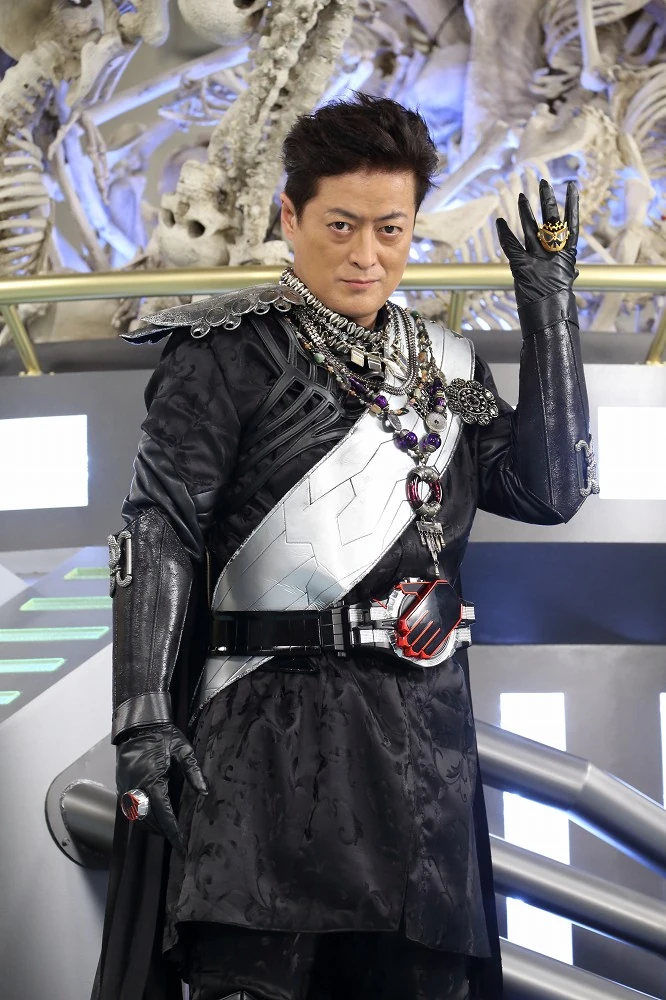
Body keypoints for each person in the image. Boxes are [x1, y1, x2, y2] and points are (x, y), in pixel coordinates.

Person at [94, 94, 597, 1000]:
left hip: (421, 748)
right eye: (341, 225)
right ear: (289, 217)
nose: (367, 255)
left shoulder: (446, 364)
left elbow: (549, 493)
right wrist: (143, 718)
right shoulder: (223, 353)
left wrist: (549, 312)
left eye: (390, 230)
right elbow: (158, 526)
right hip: (262, 738)